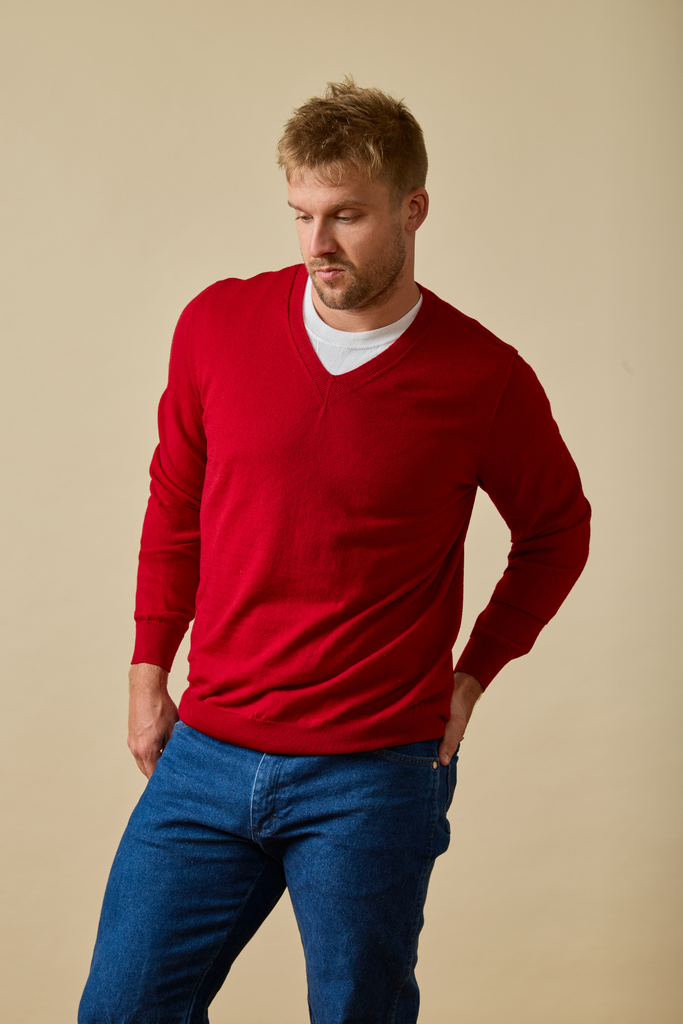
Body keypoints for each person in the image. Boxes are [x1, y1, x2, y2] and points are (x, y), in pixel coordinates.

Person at [79, 78, 590, 1024]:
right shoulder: (216, 326)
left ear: (412, 209)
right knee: (122, 1008)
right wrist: (150, 664)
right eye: (301, 214)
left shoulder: (482, 377)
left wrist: (472, 675)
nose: (317, 243)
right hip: (209, 751)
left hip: (374, 770)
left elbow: (558, 530)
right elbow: (176, 503)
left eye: (346, 215)